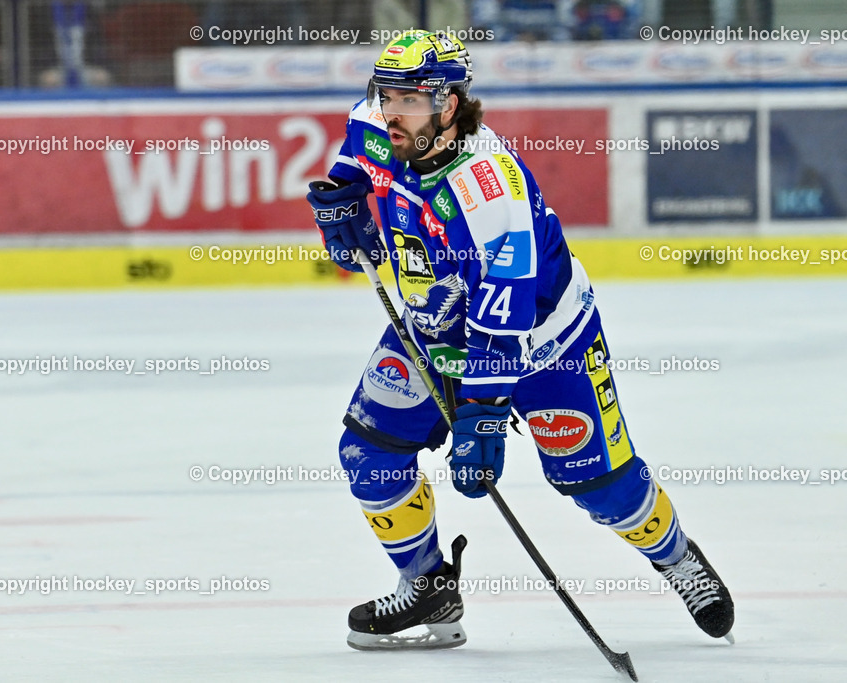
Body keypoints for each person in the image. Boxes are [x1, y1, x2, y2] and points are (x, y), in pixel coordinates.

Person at [306, 30, 734, 651]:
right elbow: (354, 171)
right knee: (368, 453)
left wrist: (480, 415)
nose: (389, 110)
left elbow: (502, 317)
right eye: (385, 95)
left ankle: (674, 557)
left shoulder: (488, 190)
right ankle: (427, 586)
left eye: (408, 99)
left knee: (598, 483)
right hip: (433, 323)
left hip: (544, 344)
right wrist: (345, 217)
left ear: (449, 105)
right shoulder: (380, 121)